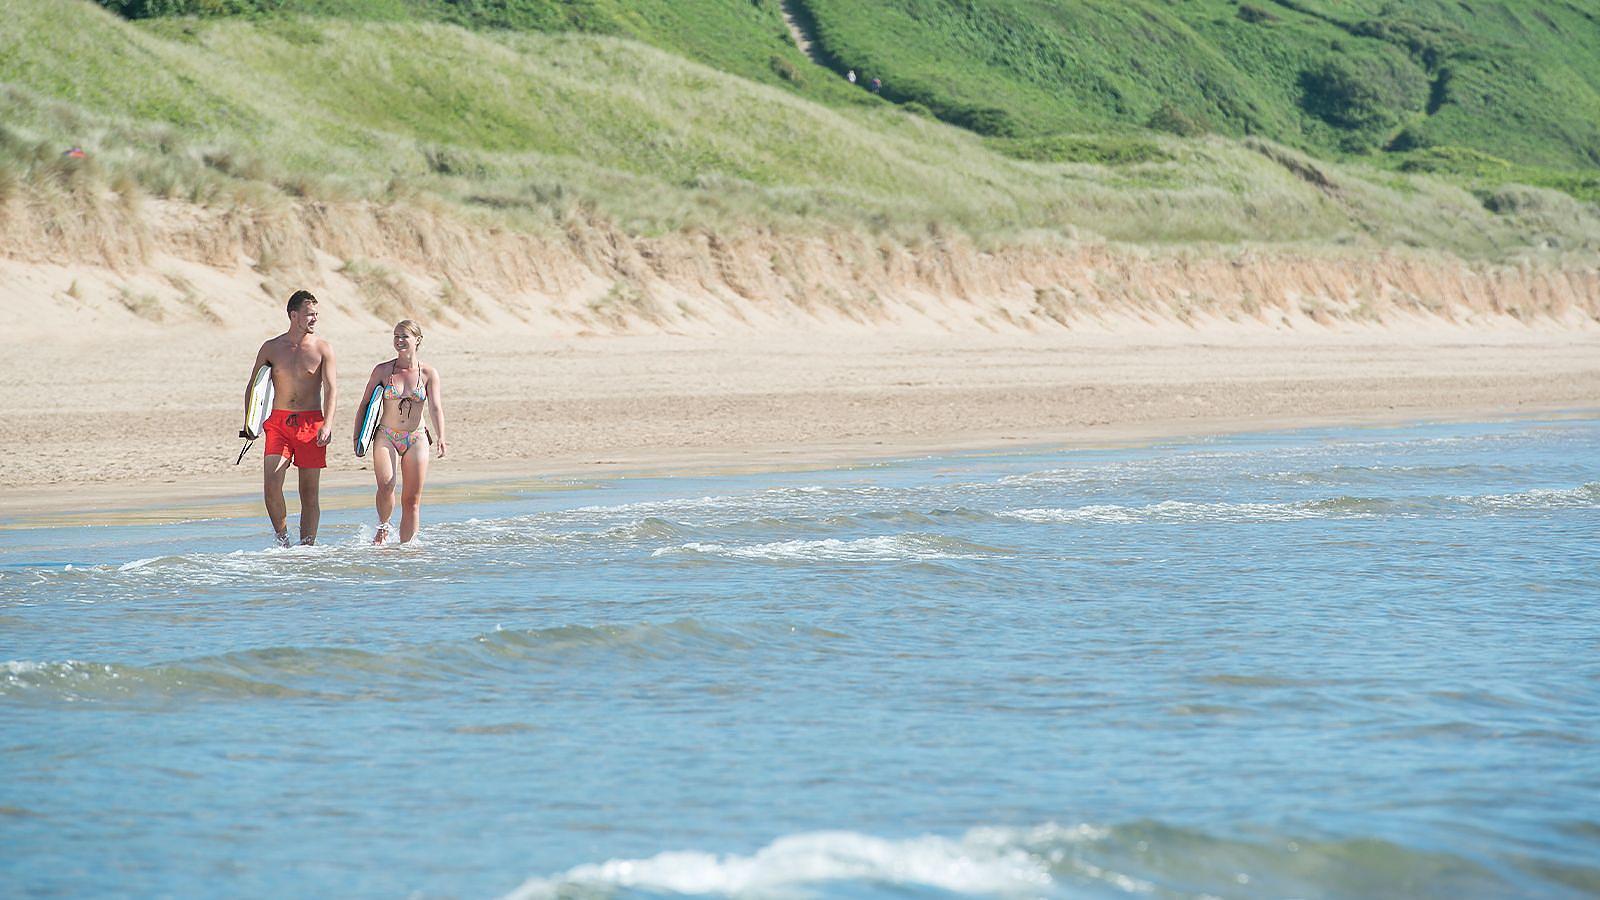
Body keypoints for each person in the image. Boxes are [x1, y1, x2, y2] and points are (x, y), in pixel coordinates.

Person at [245, 290, 337, 546]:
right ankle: (283, 542)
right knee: (272, 484)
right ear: (293, 315)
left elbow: (331, 389)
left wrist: (327, 424)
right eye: (310, 314)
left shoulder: (322, 349)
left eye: (316, 314)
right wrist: (250, 423)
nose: (314, 319)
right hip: (279, 423)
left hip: (311, 424)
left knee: (308, 493)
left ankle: (307, 548)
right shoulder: (272, 348)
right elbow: (253, 386)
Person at [359, 319, 447, 545]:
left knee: (412, 500)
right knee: (386, 485)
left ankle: (407, 550)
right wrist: (358, 436)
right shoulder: (382, 370)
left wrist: (441, 437)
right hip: (386, 435)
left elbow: (435, 407)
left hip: (416, 437)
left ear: (417, 340)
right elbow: (365, 403)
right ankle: (383, 526)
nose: (399, 341)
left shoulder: (428, 373)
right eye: (396, 336)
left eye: (404, 336)